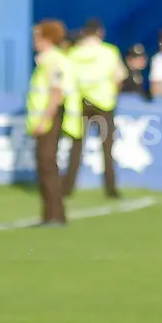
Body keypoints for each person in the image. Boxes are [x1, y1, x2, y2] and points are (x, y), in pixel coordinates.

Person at [63, 18, 128, 199]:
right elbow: (118, 77)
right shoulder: (109, 52)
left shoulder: (73, 54)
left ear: (84, 32)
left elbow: (67, 79)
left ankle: (68, 187)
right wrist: (112, 94)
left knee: (76, 148)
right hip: (104, 104)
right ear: (100, 32)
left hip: (80, 103)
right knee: (107, 148)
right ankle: (111, 188)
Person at [27, 20, 82, 226]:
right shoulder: (48, 60)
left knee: (48, 166)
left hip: (49, 120)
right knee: (46, 166)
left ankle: (54, 215)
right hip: (46, 120)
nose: (34, 40)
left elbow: (56, 93)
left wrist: (44, 120)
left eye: (38, 36)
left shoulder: (53, 61)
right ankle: (50, 214)